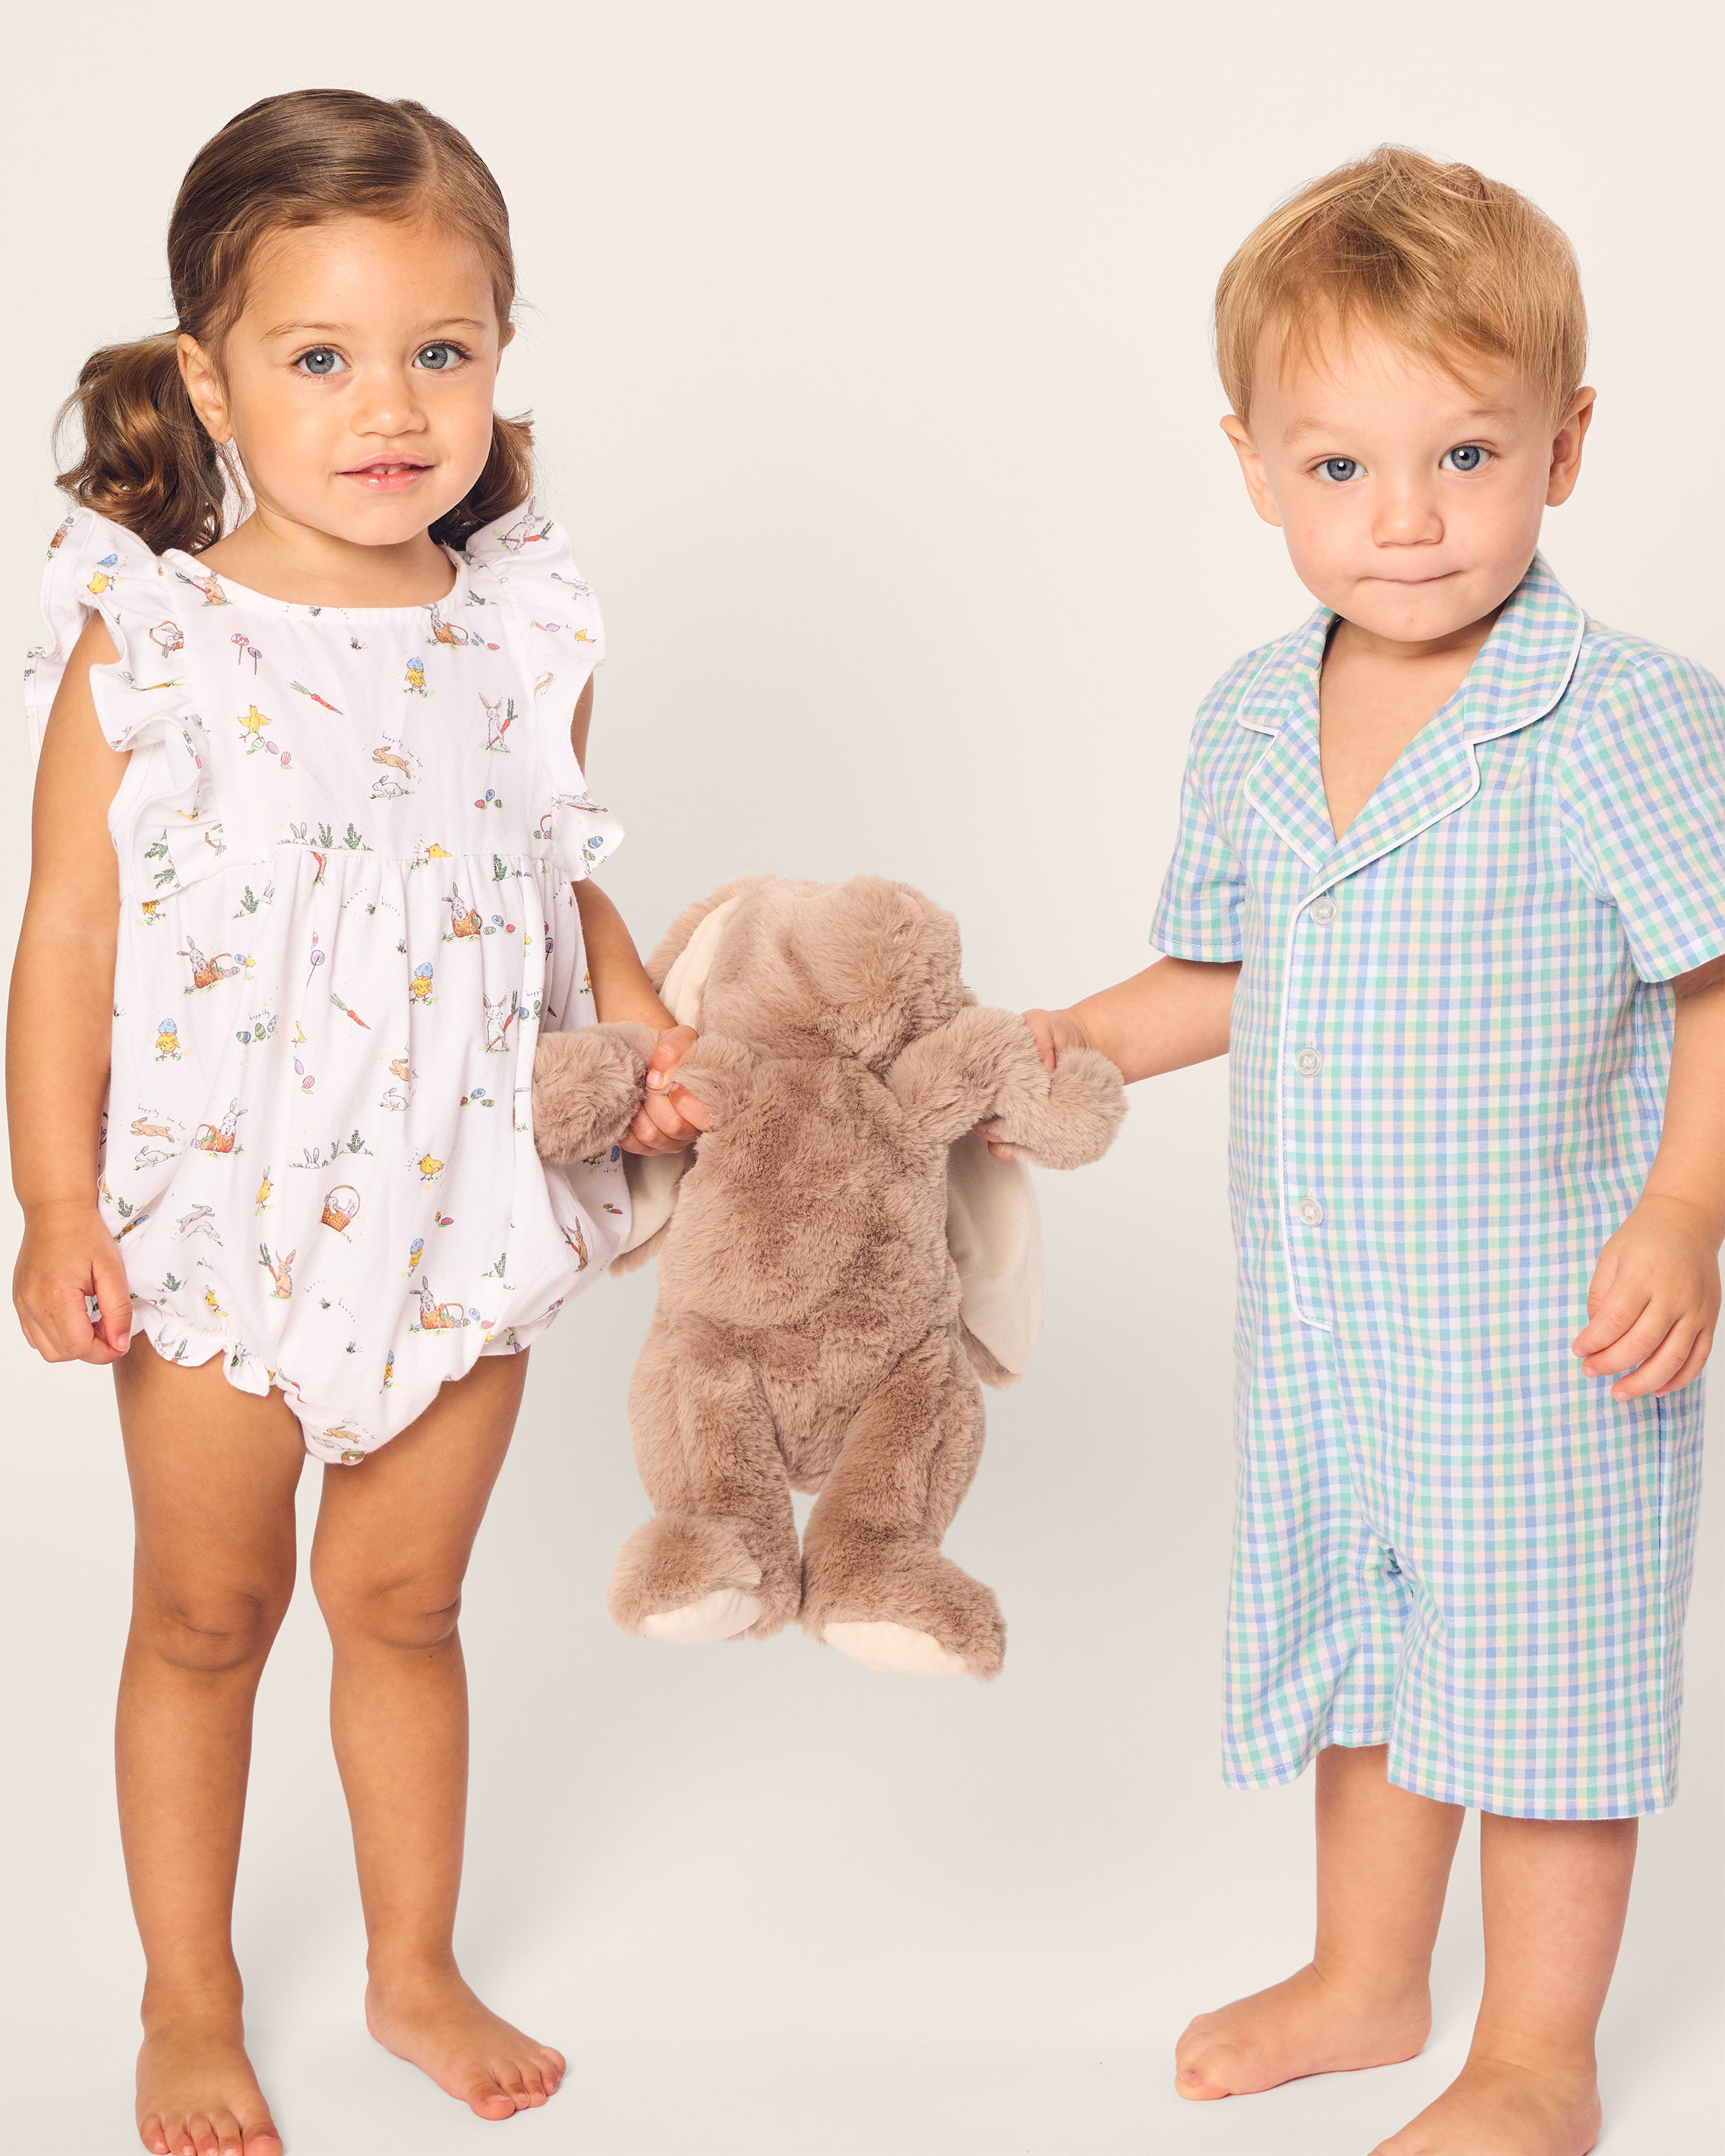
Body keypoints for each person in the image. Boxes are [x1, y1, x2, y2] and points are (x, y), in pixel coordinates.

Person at [995, 147, 1725, 2155]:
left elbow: (1714, 981)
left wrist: (1683, 1211)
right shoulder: (1252, 715)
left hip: (1548, 1330)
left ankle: (1538, 2060)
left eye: (1466, 455)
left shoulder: (1625, 720)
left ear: (1566, 448)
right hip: (1328, 1324)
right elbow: (1218, 974)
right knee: (1374, 1652)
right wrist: (1038, 1053)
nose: (1406, 520)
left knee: (1546, 1688)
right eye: (1340, 470)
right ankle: (1369, 1977)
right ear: (1250, 466)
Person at [8, 89, 706, 2156]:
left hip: (466, 1195)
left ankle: (413, 1963)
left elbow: (559, 877)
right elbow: (65, 931)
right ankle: (188, 1997)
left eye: (442, 350)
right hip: (226, 1217)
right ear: (212, 378)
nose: (389, 406)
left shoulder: (517, 630)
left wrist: (650, 1032)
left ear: (501, 354)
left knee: (406, 1608)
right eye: (320, 357)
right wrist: (57, 1196)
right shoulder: (154, 636)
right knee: (205, 1617)